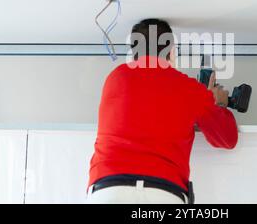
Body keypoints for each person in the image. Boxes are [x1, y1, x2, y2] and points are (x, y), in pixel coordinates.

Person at [87, 19, 238, 204]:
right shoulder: (189, 89)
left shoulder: (115, 78)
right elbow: (228, 138)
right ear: (172, 51)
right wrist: (217, 101)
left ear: (134, 52)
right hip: (163, 192)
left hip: (108, 188)